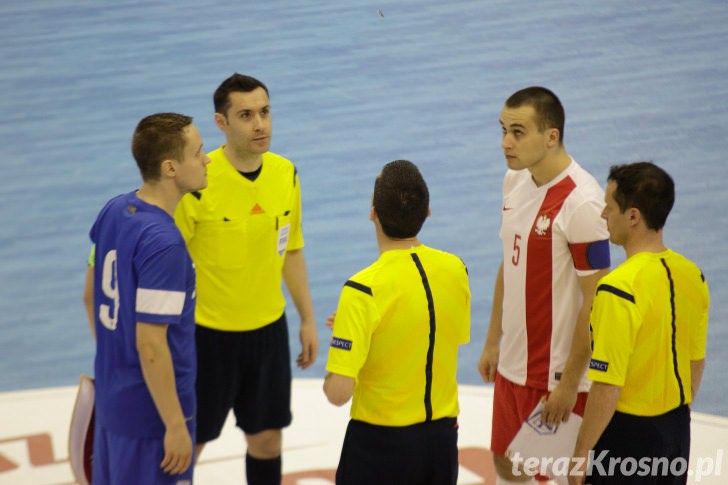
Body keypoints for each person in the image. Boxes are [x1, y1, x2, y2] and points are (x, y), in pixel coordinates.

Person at [174, 73, 319, 484]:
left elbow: (291, 249)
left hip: (268, 333)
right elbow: (168, 263)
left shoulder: (285, 173)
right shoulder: (197, 181)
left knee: (268, 442)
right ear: (222, 123)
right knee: (188, 446)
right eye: (246, 115)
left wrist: (307, 317)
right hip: (207, 336)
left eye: (265, 112)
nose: (260, 124)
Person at [477, 86, 611, 484]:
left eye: (518, 132)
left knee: (562, 476)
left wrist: (570, 384)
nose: (505, 143)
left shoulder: (583, 203)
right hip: (513, 367)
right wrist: (492, 340)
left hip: (556, 377)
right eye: (502, 130)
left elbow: (597, 302)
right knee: (504, 460)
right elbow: (510, 260)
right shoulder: (513, 181)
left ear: (552, 136)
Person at [324, 160, 471, 484]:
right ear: (427, 212)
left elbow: (337, 393)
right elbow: (439, 334)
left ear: (373, 212)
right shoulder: (455, 270)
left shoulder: (362, 289)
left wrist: (350, 338)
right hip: (442, 441)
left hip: (380, 445)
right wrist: (362, 330)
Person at [82, 112, 211, 484]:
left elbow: (90, 296)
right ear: (171, 167)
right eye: (198, 152)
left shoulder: (114, 211)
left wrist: (117, 362)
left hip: (113, 402)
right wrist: (174, 424)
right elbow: (151, 345)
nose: (206, 159)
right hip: (152, 416)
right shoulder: (166, 244)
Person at [569, 162, 710, 485]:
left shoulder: (618, 289)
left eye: (609, 208)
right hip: (676, 431)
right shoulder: (693, 276)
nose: (604, 215)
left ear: (633, 216)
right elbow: (696, 362)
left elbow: (607, 386)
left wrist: (581, 452)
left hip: (628, 437)